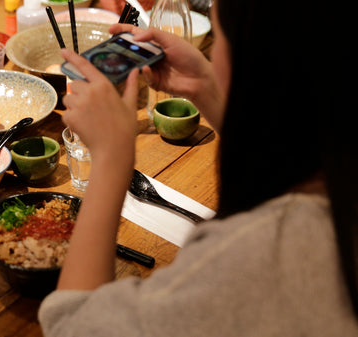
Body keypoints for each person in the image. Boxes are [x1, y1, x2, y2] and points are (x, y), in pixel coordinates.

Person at [38, 0, 358, 335]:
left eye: (218, 40)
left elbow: (73, 325)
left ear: (257, 65)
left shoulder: (265, 251)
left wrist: (109, 160)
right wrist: (209, 88)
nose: (212, 55)